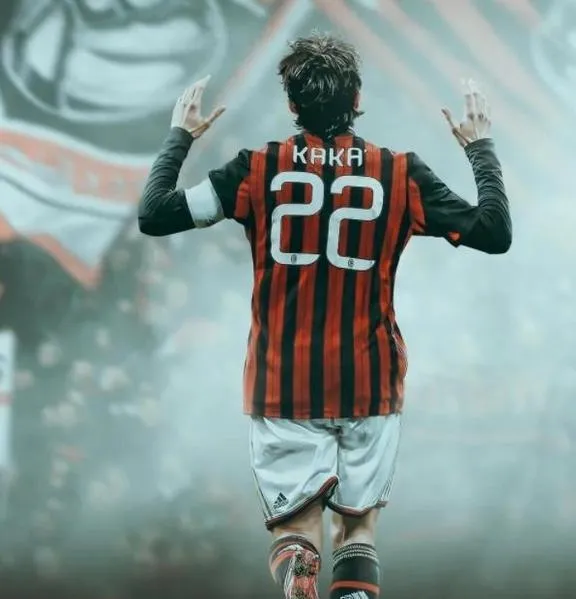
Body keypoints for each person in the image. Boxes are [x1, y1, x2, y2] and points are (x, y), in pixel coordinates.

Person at [138, 33, 512, 599]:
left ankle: (296, 562)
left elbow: (155, 214)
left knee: (295, 525)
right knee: (357, 527)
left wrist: (179, 137)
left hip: (281, 383)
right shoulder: (401, 173)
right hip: (371, 380)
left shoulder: (255, 169)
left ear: (292, 104)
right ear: (357, 97)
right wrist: (480, 147)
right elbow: (494, 232)